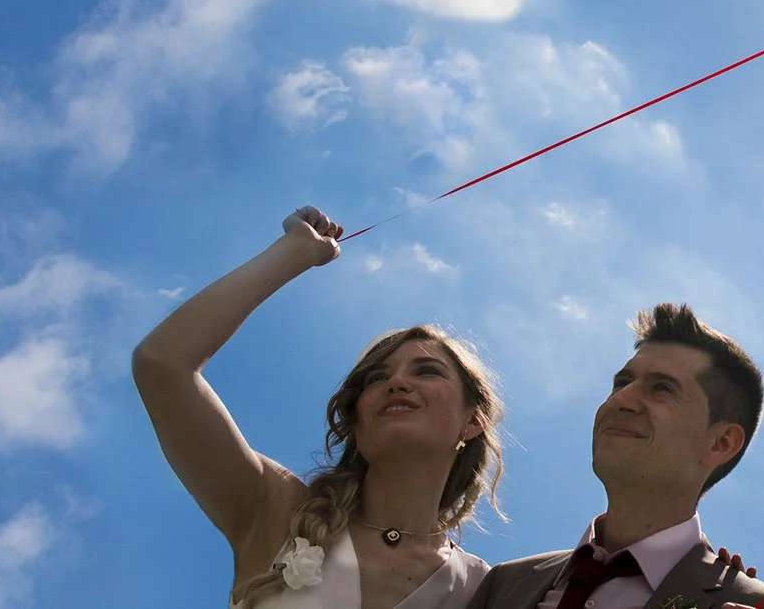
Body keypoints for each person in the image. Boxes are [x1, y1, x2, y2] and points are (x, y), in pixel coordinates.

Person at [133, 205, 502, 609]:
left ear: (473, 420)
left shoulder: (488, 590)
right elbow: (163, 364)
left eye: (427, 371)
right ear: (357, 422)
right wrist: (294, 251)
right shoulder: (276, 509)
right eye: (376, 379)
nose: (397, 382)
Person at [466, 303, 764, 609]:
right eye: (621, 383)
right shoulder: (503, 584)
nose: (621, 400)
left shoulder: (762, 606)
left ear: (720, 442)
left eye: (662, 388)